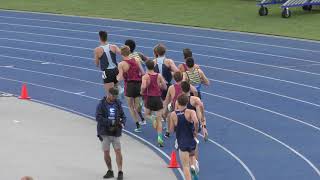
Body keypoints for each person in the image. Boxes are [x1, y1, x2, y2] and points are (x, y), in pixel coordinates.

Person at [96, 87, 126, 180]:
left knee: (118, 151)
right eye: (113, 96)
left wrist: (123, 123)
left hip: (116, 132)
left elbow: (123, 116)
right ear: (108, 94)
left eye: (116, 96)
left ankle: (120, 171)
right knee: (106, 152)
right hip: (105, 132)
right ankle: (110, 170)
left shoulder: (117, 103)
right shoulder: (101, 104)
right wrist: (111, 122)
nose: (114, 98)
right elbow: (98, 118)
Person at [169, 94, 199, 180]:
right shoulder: (191, 112)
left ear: (177, 102)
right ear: (187, 103)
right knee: (192, 156)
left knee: (185, 166)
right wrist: (196, 131)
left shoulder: (173, 114)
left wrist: (176, 125)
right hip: (191, 140)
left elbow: (171, 130)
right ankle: (193, 166)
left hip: (182, 142)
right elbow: (196, 122)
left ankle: (191, 170)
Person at [117, 45, 145, 132]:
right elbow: (143, 72)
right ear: (129, 52)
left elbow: (120, 77)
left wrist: (116, 79)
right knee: (137, 106)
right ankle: (142, 116)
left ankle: (138, 126)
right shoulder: (136, 60)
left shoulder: (121, 64)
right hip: (138, 84)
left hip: (129, 86)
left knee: (130, 107)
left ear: (121, 54)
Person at [162, 72, 198, 138]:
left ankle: (168, 132)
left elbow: (167, 100)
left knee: (169, 116)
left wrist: (164, 110)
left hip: (176, 107)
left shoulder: (171, 87)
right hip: (185, 105)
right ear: (182, 78)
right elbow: (195, 90)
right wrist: (195, 98)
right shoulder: (186, 85)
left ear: (174, 79)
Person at [141, 60, 167, 147]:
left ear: (146, 67)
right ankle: (159, 137)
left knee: (147, 114)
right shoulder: (159, 75)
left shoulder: (145, 76)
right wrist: (159, 86)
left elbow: (144, 86)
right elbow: (164, 86)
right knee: (159, 120)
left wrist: (141, 91)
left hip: (149, 98)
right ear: (154, 66)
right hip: (158, 98)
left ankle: (152, 118)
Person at [125, 39, 148, 125]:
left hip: (135, 81)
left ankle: (141, 120)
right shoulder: (139, 54)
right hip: (144, 78)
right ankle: (143, 117)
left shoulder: (127, 59)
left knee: (133, 104)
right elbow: (148, 61)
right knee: (141, 99)